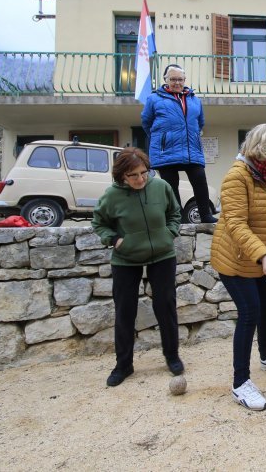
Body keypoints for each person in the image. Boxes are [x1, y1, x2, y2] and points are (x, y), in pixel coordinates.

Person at [210, 123, 266, 411]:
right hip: (235, 259)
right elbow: (235, 224)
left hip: (260, 258)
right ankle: (240, 384)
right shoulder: (237, 177)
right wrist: (263, 256)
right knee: (250, 312)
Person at [92, 147, 184, 387]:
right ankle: (123, 365)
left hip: (163, 254)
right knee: (125, 311)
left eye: (144, 172)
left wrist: (169, 233)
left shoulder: (161, 187)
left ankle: (172, 356)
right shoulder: (111, 196)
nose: (141, 179)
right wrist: (114, 240)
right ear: (122, 175)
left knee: (166, 305)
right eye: (133, 175)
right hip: (126, 259)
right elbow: (99, 222)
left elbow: (175, 212)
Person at [141, 64, 217, 223]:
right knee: (171, 187)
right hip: (165, 151)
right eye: (173, 79)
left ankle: (206, 215)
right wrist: (162, 138)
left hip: (191, 149)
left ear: (185, 80)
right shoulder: (153, 99)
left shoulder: (195, 100)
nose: (177, 83)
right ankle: (179, 219)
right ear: (165, 80)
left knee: (200, 180)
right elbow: (146, 123)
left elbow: (200, 123)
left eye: (180, 79)